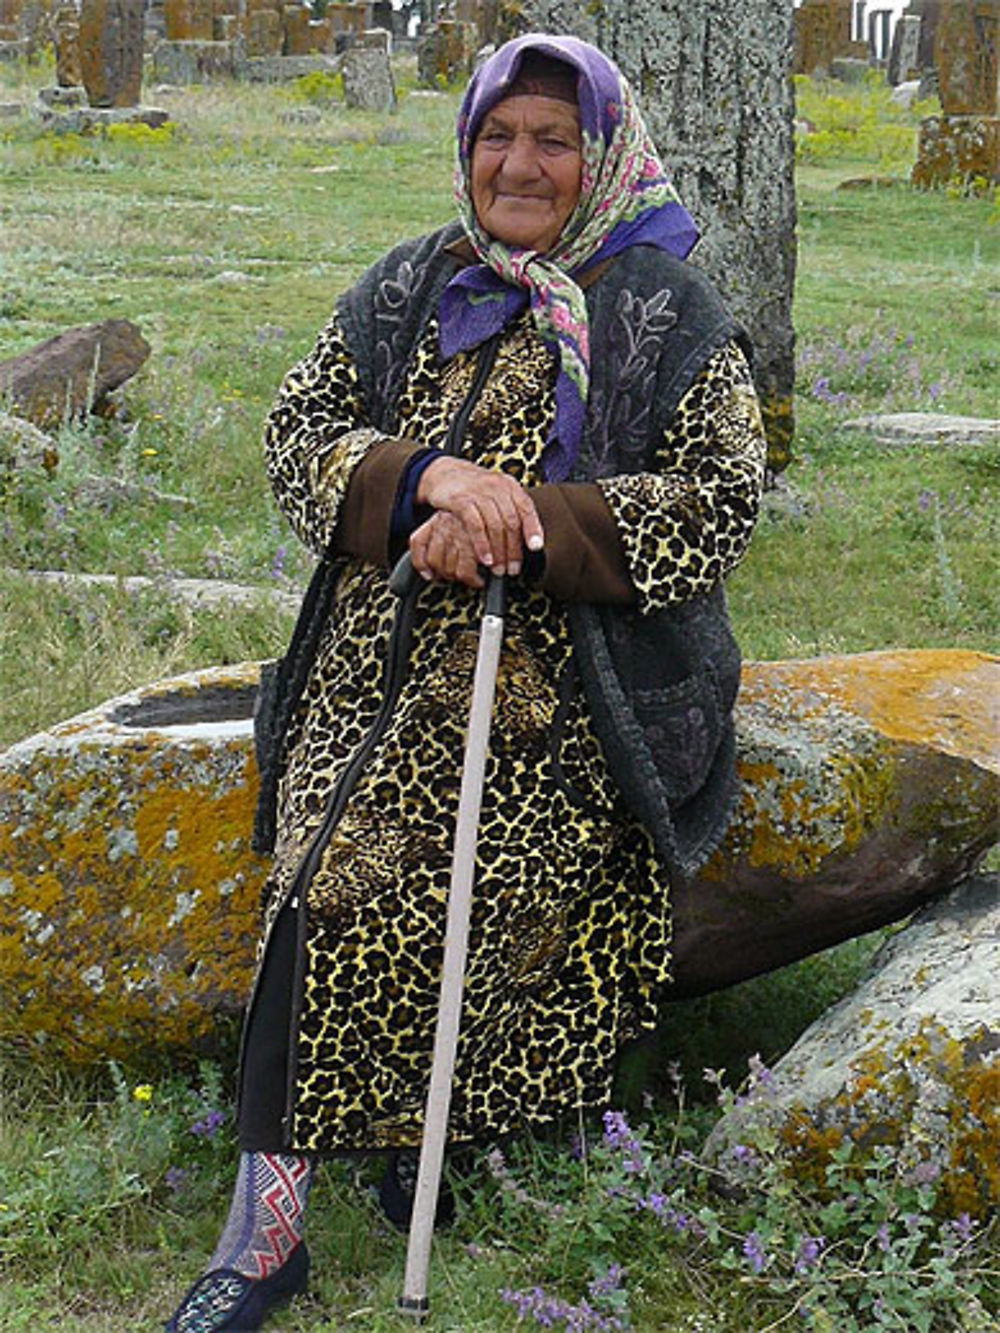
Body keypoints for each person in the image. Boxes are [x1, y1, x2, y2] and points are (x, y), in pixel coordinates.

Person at [165, 31, 767, 1333]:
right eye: (500, 134)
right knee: (326, 879)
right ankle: (264, 1236)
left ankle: (420, 1145)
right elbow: (298, 440)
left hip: (572, 704)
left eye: (555, 138)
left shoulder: (664, 307)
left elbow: (719, 500)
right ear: (467, 143)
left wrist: (525, 522)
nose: (521, 161)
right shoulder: (405, 289)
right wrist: (427, 480)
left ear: (601, 153)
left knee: (504, 888)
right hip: (371, 679)